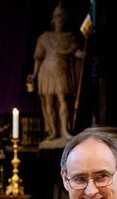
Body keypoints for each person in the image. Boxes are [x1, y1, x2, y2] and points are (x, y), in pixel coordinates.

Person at [29, 3, 82, 143]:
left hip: (61, 70)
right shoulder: (45, 37)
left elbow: (74, 52)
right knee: (49, 103)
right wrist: (34, 75)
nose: (59, 21)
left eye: (61, 18)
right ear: (53, 20)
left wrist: (81, 54)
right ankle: (53, 131)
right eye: (56, 18)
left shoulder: (69, 37)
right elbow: (38, 58)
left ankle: (64, 130)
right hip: (46, 71)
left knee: (62, 99)